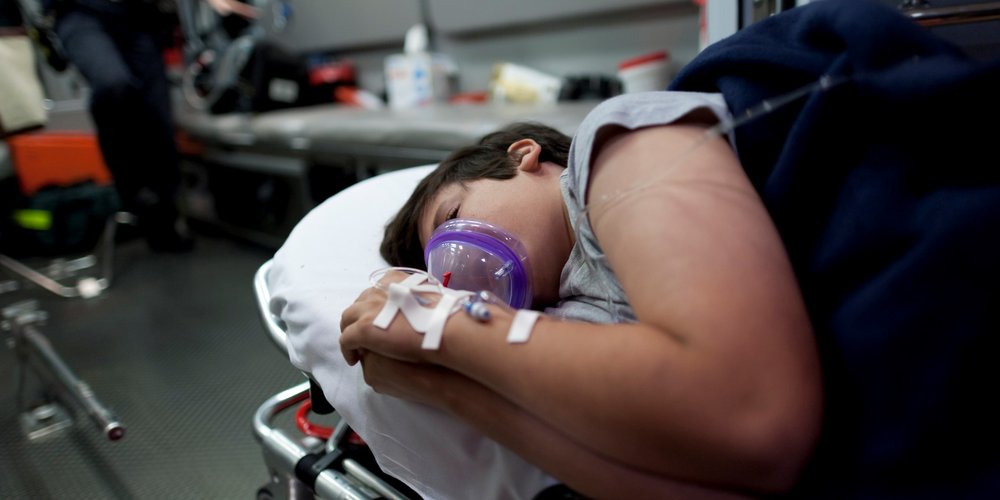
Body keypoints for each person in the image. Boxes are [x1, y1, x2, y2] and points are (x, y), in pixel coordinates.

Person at [335, 0, 1000, 498]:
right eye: (442, 278)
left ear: (524, 156)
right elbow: (727, 475)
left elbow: (753, 414)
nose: (457, 274)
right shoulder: (572, 327)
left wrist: (441, 327)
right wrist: (449, 389)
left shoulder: (614, 152)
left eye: (452, 220)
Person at [47, 0, 255, 251]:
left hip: (137, 17)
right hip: (82, 14)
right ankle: (131, 192)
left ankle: (163, 219)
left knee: (158, 116)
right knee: (113, 84)